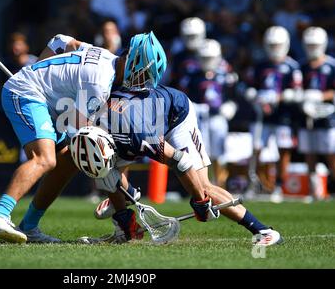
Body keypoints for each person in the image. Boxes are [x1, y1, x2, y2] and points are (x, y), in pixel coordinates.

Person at [0, 31, 167, 243]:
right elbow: (81, 136)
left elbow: (60, 40)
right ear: (132, 61)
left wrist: (37, 68)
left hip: (42, 98)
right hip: (25, 93)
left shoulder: (105, 56)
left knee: (69, 160)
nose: (142, 82)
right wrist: (121, 184)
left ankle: (29, 226)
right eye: (144, 74)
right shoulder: (99, 84)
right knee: (45, 158)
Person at [71, 84, 282, 246]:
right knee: (107, 173)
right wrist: (122, 210)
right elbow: (105, 166)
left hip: (175, 113)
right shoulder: (88, 129)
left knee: (203, 185)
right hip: (130, 120)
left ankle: (263, 231)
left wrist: (201, 201)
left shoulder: (138, 135)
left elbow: (180, 161)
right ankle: (125, 225)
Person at [245, 26, 302, 203]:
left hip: (282, 115)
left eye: (278, 45)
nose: (275, 48)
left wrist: (283, 96)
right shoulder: (260, 65)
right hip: (261, 114)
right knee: (256, 149)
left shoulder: (292, 67)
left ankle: (278, 185)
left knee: (283, 150)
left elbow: (298, 91)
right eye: (272, 45)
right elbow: (247, 86)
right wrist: (254, 95)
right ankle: (255, 183)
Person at [178, 39, 238, 186]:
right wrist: (196, 107)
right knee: (200, 153)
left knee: (219, 152)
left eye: (210, 58)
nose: (208, 61)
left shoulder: (225, 76)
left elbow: (233, 95)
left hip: (218, 118)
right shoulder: (192, 77)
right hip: (198, 119)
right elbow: (184, 97)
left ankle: (220, 183)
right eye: (205, 58)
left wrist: (231, 106)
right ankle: (203, 184)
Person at [298, 26, 335, 201]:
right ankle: (315, 190)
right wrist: (302, 97)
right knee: (309, 153)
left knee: (331, 152)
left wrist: (321, 95)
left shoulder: (331, 65)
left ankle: (333, 186)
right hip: (307, 115)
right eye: (310, 45)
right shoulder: (302, 66)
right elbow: (297, 88)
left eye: (315, 45)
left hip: (327, 115)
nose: (313, 48)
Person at [170, 17, 206, 87]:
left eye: (194, 36)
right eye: (188, 36)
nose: (191, 39)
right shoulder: (178, 57)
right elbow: (174, 80)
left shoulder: (210, 54)